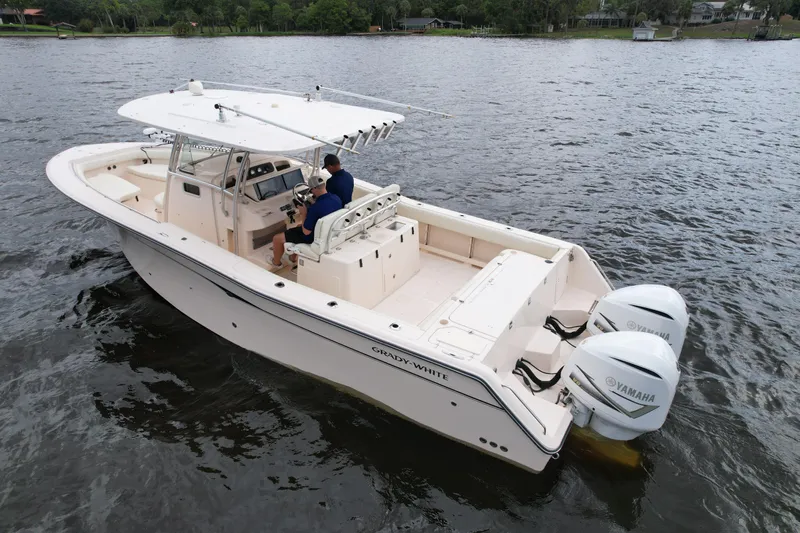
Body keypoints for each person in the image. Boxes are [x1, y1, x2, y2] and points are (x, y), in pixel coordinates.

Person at [271, 175, 342, 267]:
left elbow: (306, 232)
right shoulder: (336, 199)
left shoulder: (315, 208)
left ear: (314, 188)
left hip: (312, 237)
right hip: (328, 233)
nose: (311, 191)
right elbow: (324, 208)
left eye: (311, 189)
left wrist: (303, 213)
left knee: (277, 239)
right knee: (297, 226)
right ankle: (292, 259)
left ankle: (276, 263)